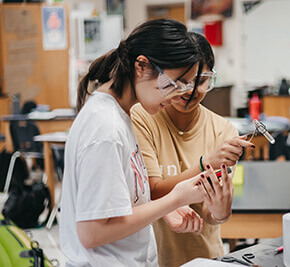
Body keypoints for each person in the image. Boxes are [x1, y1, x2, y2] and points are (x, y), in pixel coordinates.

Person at [59, 19, 225, 266]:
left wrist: (163, 209)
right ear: (142, 65)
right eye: (174, 83)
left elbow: (118, 203)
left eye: (187, 85)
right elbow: (92, 232)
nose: (178, 95)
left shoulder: (120, 116)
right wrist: (174, 199)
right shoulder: (106, 128)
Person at [131, 32, 254, 266]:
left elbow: (211, 214)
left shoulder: (223, 131)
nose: (191, 90)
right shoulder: (143, 117)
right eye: (183, 80)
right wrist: (204, 163)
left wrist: (221, 211)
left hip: (205, 257)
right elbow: (152, 191)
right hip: (154, 258)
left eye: (201, 80)